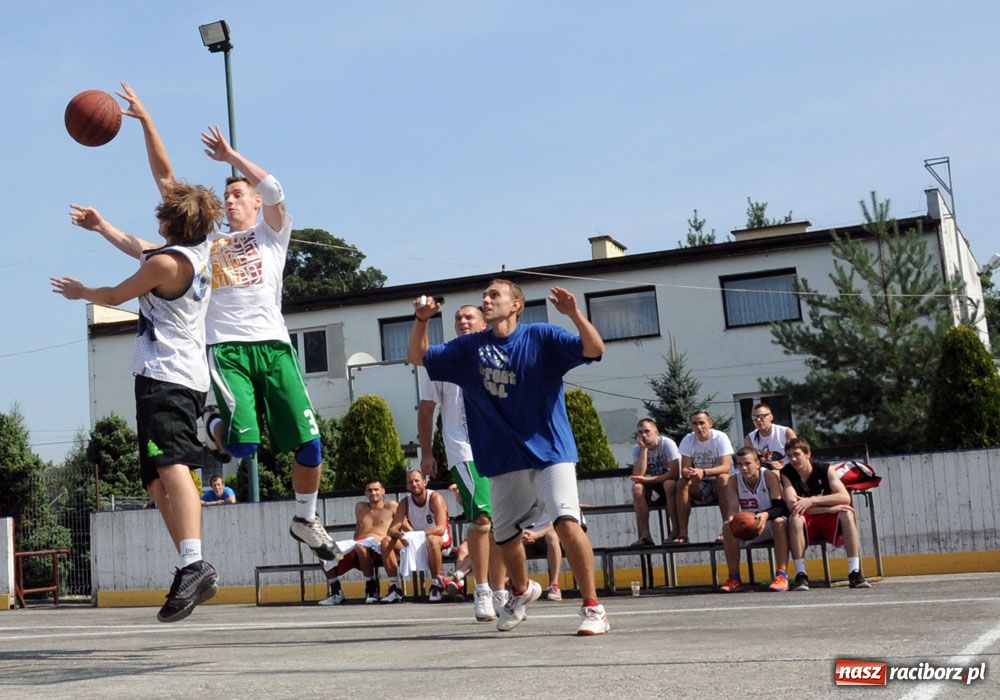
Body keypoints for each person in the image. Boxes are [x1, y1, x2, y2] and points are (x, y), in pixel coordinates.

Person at [115, 82, 337, 562]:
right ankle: (210, 421)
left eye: (241, 194)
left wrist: (233, 157)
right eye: (228, 195)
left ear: (255, 204)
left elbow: (275, 187)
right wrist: (148, 122)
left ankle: (305, 517)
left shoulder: (272, 235)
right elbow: (167, 181)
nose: (233, 199)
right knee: (245, 449)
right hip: (227, 349)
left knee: (310, 447)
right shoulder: (207, 244)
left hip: (275, 347)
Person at [52, 181, 224, 623]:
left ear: (171, 222)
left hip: (169, 376)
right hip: (168, 376)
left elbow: (114, 296)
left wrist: (82, 292)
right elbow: (139, 247)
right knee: (153, 478)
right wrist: (100, 225)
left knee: (172, 466)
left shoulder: (167, 263)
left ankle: (193, 563)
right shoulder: (193, 253)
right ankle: (191, 562)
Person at [408, 279, 610, 636]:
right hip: (503, 458)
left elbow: (594, 349)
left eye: (493, 296)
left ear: (516, 304)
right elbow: (418, 357)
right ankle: (519, 591)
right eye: (483, 296)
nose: (486, 300)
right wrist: (422, 320)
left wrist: (575, 314)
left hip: (551, 450)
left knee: (566, 522)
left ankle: (593, 606)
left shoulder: (542, 337)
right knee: (504, 536)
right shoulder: (470, 349)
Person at [417, 303, 505, 621]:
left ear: (483, 324)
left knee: (502, 525)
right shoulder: (441, 359)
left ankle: (501, 590)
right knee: (482, 518)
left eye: (470, 317)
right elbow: (427, 409)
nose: (463, 321)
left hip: (500, 449)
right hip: (464, 451)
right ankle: (481, 590)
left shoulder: (497, 356)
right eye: (458, 317)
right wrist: (427, 453)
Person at [780, 437, 871, 590]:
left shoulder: (824, 469)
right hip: (808, 518)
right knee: (794, 518)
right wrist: (827, 508)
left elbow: (844, 497)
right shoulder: (786, 472)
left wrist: (811, 501)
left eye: (797, 454)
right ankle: (801, 575)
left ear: (807, 454)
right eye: (789, 456)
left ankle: (854, 572)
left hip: (826, 517)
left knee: (847, 513)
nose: (793, 459)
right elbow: (793, 506)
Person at [719, 447, 790, 592]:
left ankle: (782, 576)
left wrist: (764, 515)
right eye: (739, 464)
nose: (743, 468)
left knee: (780, 522)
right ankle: (734, 579)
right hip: (750, 527)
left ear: (757, 463)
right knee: (727, 526)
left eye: (747, 463)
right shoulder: (733, 480)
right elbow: (732, 510)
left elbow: (780, 507)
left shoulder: (769, 476)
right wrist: (734, 522)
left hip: (769, 523)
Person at [319, 480, 399, 605]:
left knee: (360, 546)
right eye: (369, 490)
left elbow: (402, 527)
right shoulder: (360, 507)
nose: (373, 493)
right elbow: (358, 530)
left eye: (376, 489)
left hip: (380, 546)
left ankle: (371, 588)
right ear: (365, 493)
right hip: (359, 543)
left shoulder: (392, 506)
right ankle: (336, 592)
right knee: (323, 550)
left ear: (383, 491)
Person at [385, 470, 453, 602]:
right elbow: (392, 529)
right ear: (407, 486)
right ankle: (394, 587)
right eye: (410, 482)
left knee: (432, 540)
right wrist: (402, 535)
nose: (414, 484)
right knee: (386, 542)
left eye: (417, 481)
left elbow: (440, 529)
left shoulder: (435, 498)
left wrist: (416, 535)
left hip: (440, 540)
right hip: (417, 541)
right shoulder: (405, 502)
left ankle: (436, 584)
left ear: (425, 482)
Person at [674, 411, 734, 543]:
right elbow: (684, 468)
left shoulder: (720, 437)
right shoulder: (688, 440)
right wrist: (690, 473)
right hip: (702, 484)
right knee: (682, 483)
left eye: (702, 423)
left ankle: (727, 529)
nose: (698, 427)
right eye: (694, 423)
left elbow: (726, 467)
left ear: (710, 423)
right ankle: (683, 533)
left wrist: (704, 471)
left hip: (725, 486)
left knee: (723, 478)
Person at [629, 418, 681, 546]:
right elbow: (637, 475)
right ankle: (645, 535)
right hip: (653, 488)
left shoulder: (667, 444)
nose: (643, 435)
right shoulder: (637, 449)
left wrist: (648, 479)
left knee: (669, 484)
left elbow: (674, 474)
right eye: (640, 432)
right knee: (637, 488)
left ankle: (675, 531)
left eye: (647, 431)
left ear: (656, 432)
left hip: (671, 486)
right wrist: (644, 450)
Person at [744, 403, 797, 471]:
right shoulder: (749, 439)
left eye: (762, 416)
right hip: (765, 473)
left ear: (771, 417)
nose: (758, 420)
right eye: (754, 418)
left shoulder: (786, 432)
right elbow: (752, 462)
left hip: (789, 469)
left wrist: (781, 464)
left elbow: (797, 455)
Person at [521, 523, 564, 601]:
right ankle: (518, 588)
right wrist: (520, 533)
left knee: (552, 536)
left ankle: (554, 585)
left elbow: (557, 523)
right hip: (525, 535)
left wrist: (537, 534)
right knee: (509, 540)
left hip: (547, 534)